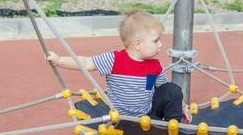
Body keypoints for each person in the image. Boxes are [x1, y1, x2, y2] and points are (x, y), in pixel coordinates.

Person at [47, 10, 192, 123]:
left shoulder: (155, 66)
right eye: (156, 41)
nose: (160, 44)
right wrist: (59, 60)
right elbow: (86, 62)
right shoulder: (114, 59)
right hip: (119, 116)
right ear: (137, 44)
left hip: (147, 113)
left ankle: (172, 125)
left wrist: (183, 105)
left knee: (172, 89)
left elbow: (165, 90)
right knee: (171, 89)